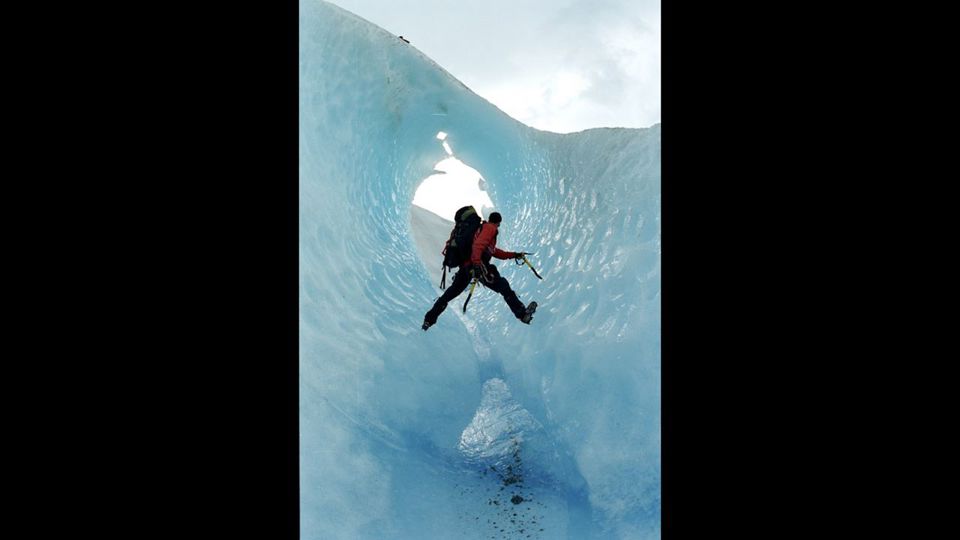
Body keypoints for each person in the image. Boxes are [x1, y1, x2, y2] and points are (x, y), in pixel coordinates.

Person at [422, 212, 537, 330]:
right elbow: (478, 246)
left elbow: (494, 251)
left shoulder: (481, 230)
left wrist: (514, 255)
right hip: (477, 266)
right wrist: (477, 264)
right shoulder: (490, 228)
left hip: (466, 267)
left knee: (449, 294)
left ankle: (428, 320)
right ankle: (522, 314)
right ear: (498, 223)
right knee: (503, 286)